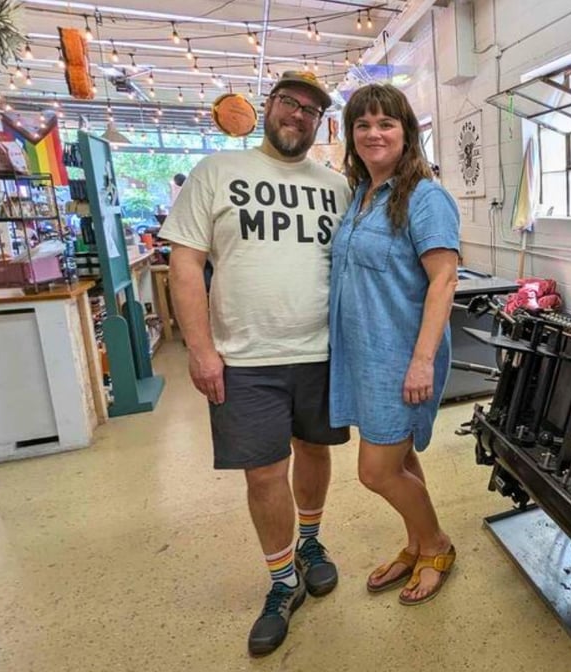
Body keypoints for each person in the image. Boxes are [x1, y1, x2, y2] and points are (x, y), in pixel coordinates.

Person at [162, 71, 351, 656]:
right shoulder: (216, 172)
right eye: (290, 103)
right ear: (267, 107)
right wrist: (200, 349)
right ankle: (282, 580)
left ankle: (312, 543)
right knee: (264, 473)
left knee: (314, 451)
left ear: (320, 122)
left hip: (322, 351)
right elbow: (186, 264)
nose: (298, 115)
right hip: (245, 359)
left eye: (311, 110)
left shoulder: (337, 185)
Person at [330, 84, 460, 606]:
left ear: (407, 132)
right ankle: (415, 543)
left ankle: (437, 545)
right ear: (351, 137)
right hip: (363, 355)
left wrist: (421, 362)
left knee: (376, 470)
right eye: (362, 125)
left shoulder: (425, 197)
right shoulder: (361, 196)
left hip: (403, 355)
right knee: (401, 460)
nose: (373, 133)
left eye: (385, 123)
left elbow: (444, 279)